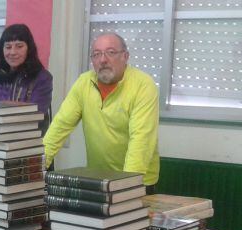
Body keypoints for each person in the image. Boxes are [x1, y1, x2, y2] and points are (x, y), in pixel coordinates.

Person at [43, 32, 160, 192]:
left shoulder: (143, 85)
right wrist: (35, 168)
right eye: (96, 54)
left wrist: (126, 185)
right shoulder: (84, 82)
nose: (103, 60)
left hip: (137, 181)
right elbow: (59, 127)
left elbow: (141, 140)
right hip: (98, 178)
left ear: (125, 56)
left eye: (110, 52)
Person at [0, 24, 53, 129]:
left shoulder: (42, 78)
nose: (13, 52)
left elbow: (37, 114)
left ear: (29, 49)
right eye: (8, 47)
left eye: (19, 46)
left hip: (27, 136)